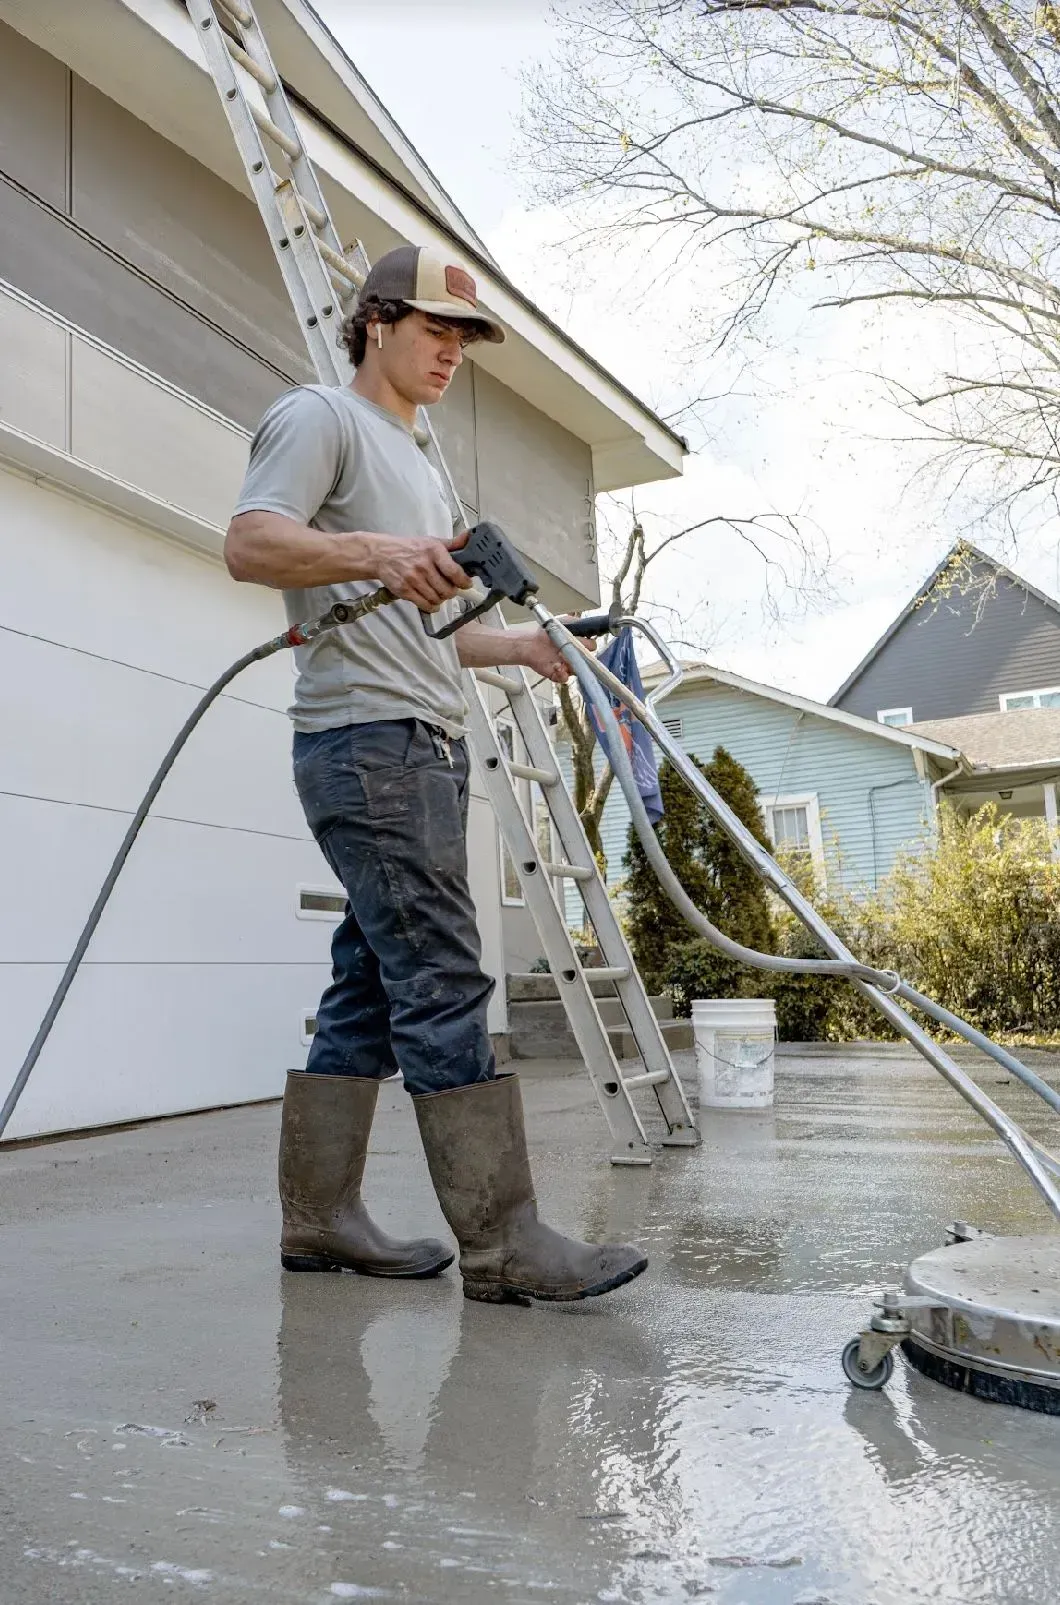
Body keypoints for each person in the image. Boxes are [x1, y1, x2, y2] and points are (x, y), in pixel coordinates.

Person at [225, 244, 647, 1306]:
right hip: (369, 747)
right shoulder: (321, 416)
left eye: (462, 338)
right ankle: (504, 1246)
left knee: (368, 985)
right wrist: (372, 552)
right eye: (432, 329)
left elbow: (416, 635)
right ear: (375, 322)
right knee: (444, 976)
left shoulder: (414, 462)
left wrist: (519, 650)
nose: (451, 352)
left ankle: (320, 1222)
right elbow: (249, 544)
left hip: (416, 740)